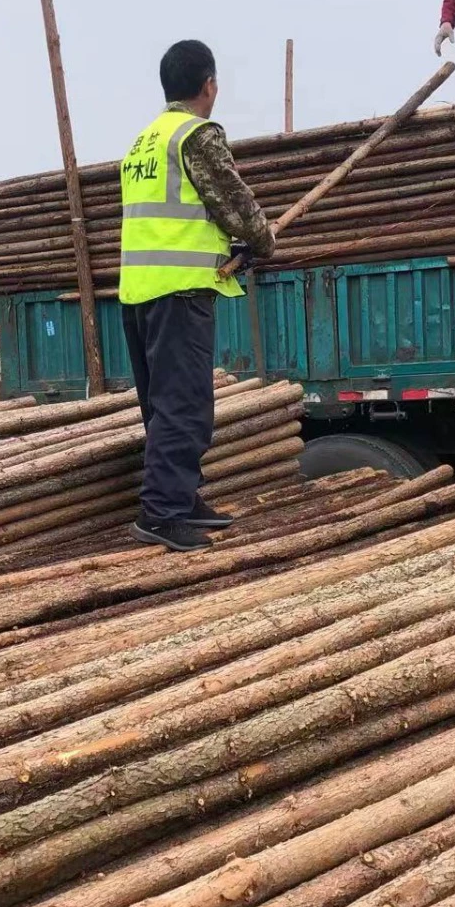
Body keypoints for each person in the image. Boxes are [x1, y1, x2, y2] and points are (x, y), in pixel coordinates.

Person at [120, 39, 276, 553]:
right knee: (185, 407)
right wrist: (261, 240)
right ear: (209, 85)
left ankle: (181, 499)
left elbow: (176, 217)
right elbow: (233, 201)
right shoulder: (196, 135)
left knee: (163, 405)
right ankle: (161, 514)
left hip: (139, 293)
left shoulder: (144, 141)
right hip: (179, 293)